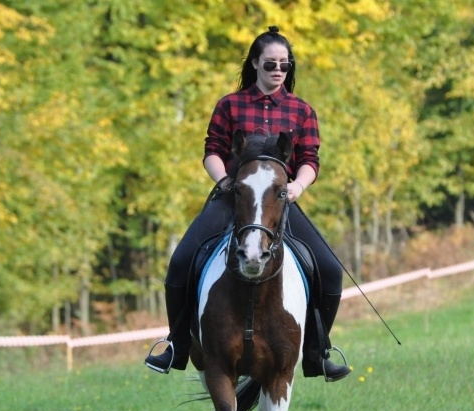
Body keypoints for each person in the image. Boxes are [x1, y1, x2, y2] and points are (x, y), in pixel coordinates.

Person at [145, 26, 351, 382]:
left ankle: (318, 352)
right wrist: (224, 180)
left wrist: (298, 186)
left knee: (331, 270)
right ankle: (176, 344)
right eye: (270, 63)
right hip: (232, 199)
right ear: (255, 63)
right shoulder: (230, 104)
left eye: (285, 65)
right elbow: (212, 151)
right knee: (180, 262)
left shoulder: (302, 110)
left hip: (278, 202)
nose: (277, 71)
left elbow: (310, 159)